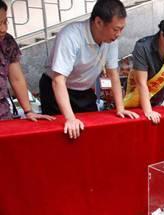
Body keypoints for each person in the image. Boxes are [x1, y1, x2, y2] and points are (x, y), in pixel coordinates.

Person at [39, 0, 138, 139]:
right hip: (56, 91)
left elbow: (113, 73)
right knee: (61, 134)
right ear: (98, 22)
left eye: (122, 29)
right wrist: (70, 118)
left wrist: (120, 108)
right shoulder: (70, 36)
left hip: (84, 91)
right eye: (116, 29)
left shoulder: (110, 39)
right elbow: (58, 80)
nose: (119, 34)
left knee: (90, 133)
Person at [0, 0, 54, 121]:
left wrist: (28, 111)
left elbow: (16, 79)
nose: (3, 29)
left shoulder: (7, 42)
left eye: (5, 22)